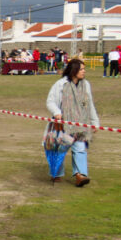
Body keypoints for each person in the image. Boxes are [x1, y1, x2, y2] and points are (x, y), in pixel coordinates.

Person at [46, 59, 99, 187]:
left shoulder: (86, 84)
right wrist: (57, 112)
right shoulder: (60, 84)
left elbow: (90, 103)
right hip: (63, 124)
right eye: (81, 69)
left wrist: (94, 121)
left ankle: (80, 175)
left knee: (80, 149)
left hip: (81, 124)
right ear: (74, 70)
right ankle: (56, 173)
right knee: (59, 149)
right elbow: (50, 101)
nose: (84, 71)